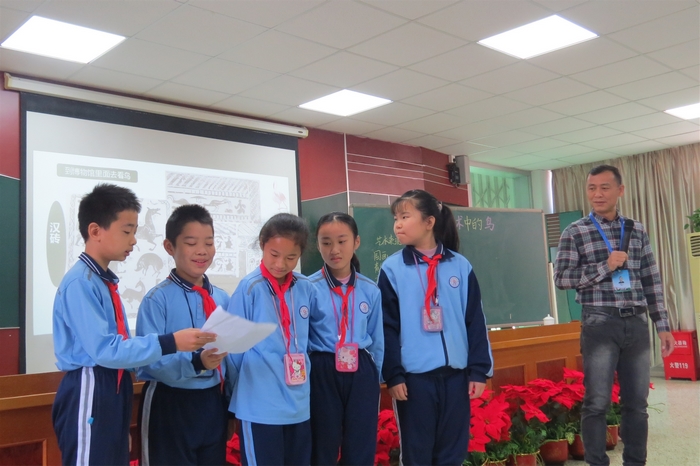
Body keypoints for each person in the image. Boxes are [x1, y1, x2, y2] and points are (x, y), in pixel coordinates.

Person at [52, 184, 216, 466]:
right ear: (95, 231)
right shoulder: (81, 283)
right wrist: (171, 342)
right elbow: (105, 350)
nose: (134, 240)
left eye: (135, 231)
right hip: (92, 384)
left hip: (113, 387)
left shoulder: (102, 280)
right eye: (126, 231)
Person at [553, 164, 675, 466]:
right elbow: (562, 278)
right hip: (599, 322)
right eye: (592, 188)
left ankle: (635, 462)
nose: (597, 194)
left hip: (636, 322)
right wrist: (604, 267)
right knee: (597, 403)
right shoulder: (575, 231)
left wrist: (662, 325)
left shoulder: (636, 229)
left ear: (620, 190)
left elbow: (651, 279)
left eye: (604, 187)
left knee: (637, 404)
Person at [378, 189, 493, 466]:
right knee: (417, 455)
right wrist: (393, 374)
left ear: (429, 222)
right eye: (396, 219)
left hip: (457, 378)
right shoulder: (392, 269)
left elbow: (475, 320)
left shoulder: (460, 266)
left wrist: (478, 370)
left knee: (452, 453)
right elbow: (386, 328)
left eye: (405, 217)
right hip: (414, 381)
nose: (398, 225)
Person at [136, 204, 232, 465]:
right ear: (170, 247)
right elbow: (150, 360)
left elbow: (232, 355)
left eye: (209, 243)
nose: (202, 251)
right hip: (170, 401)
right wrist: (197, 362)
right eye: (191, 243)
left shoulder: (222, 298)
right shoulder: (157, 299)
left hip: (213, 401)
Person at [226, 213, 314, 466]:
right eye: (274, 254)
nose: (280, 264)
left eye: (291, 257)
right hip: (260, 406)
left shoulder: (305, 287)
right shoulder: (249, 288)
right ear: (262, 244)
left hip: (298, 405)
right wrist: (234, 397)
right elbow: (233, 352)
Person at [308, 212, 384, 466]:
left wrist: (375, 376)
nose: (334, 250)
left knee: (361, 442)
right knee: (323, 442)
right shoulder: (308, 288)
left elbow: (377, 340)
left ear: (356, 242)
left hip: (360, 370)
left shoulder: (370, 289)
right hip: (322, 368)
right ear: (317, 245)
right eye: (326, 242)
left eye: (342, 241)